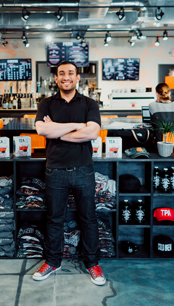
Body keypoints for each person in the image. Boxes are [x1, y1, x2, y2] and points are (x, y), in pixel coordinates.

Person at [33, 60, 105, 286]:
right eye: (61, 73)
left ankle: (92, 263)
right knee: (54, 219)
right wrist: (77, 125)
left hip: (84, 169)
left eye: (70, 73)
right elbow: (42, 129)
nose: (66, 77)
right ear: (56, 78)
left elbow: (93, 132)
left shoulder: (89, 103)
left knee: (89, 219)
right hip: (55, 170)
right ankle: (53, 261)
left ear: (77, 78)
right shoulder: (46, 103)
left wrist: (57, 131)